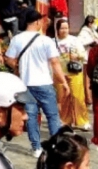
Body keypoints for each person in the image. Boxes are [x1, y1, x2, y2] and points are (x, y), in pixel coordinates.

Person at [4, 10, 68, 157]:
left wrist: (17, 67)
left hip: (25, 83)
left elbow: (8, 58)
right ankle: (55, 145)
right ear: (38, 22)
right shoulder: (46, 40)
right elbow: (55, 63)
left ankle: (36, 148)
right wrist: (63, 81)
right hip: (44, 82)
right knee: (52, 116)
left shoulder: (17, 39)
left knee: (31, 116)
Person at [53, 19, 90, 131]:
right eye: (62, 28)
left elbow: (84, 56)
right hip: (59, 74)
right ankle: (65, 121)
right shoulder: (52, 42)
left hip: (74, 72)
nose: (64, 30)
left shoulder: (75, 41)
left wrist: (77, 56)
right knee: (63, 98)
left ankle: (82, 121)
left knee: (77, 96)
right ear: (57, 29)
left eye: (66, 28)